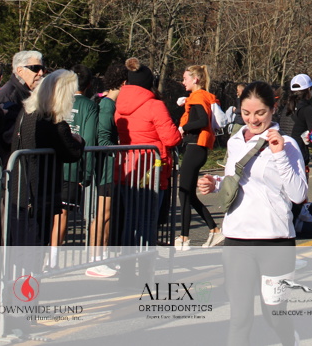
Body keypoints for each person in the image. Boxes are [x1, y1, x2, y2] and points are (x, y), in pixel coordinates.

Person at [198, 81, 308, 346]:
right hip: (237, 240)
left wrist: (279, 154)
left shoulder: (288, 144)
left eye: (260, 113)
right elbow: (236, 182)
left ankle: (289, 341)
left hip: (275, 241)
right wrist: (215, 183)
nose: (253, 119)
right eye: (246, 113)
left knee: (274, 314)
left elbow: (298, 195)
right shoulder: (235, 141)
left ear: (273, 109)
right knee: (240, 318)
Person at [6, 69, 85, 247]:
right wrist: (79, 141)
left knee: (19, 244)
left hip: (20, 191)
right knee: (35, 244)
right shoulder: (53, 121)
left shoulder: (26, 112)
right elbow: (72, 153)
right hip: (39, 195)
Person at [114, 59, 181, 247]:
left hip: (128, 169)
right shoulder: (155, 106)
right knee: (147, 221)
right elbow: (171, 139)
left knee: (130, 219)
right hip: (151, 170)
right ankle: (145, 261)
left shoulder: (119, 106)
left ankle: (127, 260)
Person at [51, 65, 99, 268]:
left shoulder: (57, 101)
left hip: (52, 164)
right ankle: (52, 259)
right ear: (89, 84)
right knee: (62, 214)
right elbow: (88, 139)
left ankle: (44, 256)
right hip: (72, 167)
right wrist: (86, 173)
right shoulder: (89, 106)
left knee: (50, 212)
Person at [86, 62, 125, 278]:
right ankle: (95, 260)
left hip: (110, 165)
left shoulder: (108, 103)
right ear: (123, 83)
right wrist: (119, 149)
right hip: (107, 166)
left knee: (107, 213)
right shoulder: (107, 105)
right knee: (103, 213)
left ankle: (102, 257)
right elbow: (102, 137)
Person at [177, 64, 221, 249]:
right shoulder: (198, 97)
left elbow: (202, 120)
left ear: (195, 79)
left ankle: (184, 237)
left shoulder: (197, 97)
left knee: (183, 192)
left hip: (196, 147)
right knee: (189, 194)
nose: (183, 82)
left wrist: (183, 128)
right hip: (198, 148)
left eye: (185, 78)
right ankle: (214, 230)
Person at [0, 50, 45, 154]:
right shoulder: (9, 96)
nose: (40, 73)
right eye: (35, 68)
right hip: (10, 160)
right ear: (20, 71)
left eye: (42, 69)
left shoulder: (27, 93)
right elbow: (9, 137)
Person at [287, 73, 312, 170]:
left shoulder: (285, 108)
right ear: (309, 90)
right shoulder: (308, 109)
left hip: (282, 155)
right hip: (299, 157)